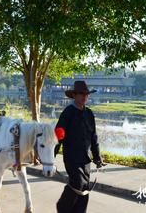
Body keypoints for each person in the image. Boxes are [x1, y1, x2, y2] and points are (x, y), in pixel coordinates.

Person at [55, 81, 106, 213]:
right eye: (81, 94)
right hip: (72, 158)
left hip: (86, 158)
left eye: (86, 94)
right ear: (74, 95)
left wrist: (97, 157)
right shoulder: (68, 112)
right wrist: (51, 156)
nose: (84, 97)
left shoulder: (89, 113)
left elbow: (93, 137)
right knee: (77, 183)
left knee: (85, 188)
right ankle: (62, 207)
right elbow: (58, 135)